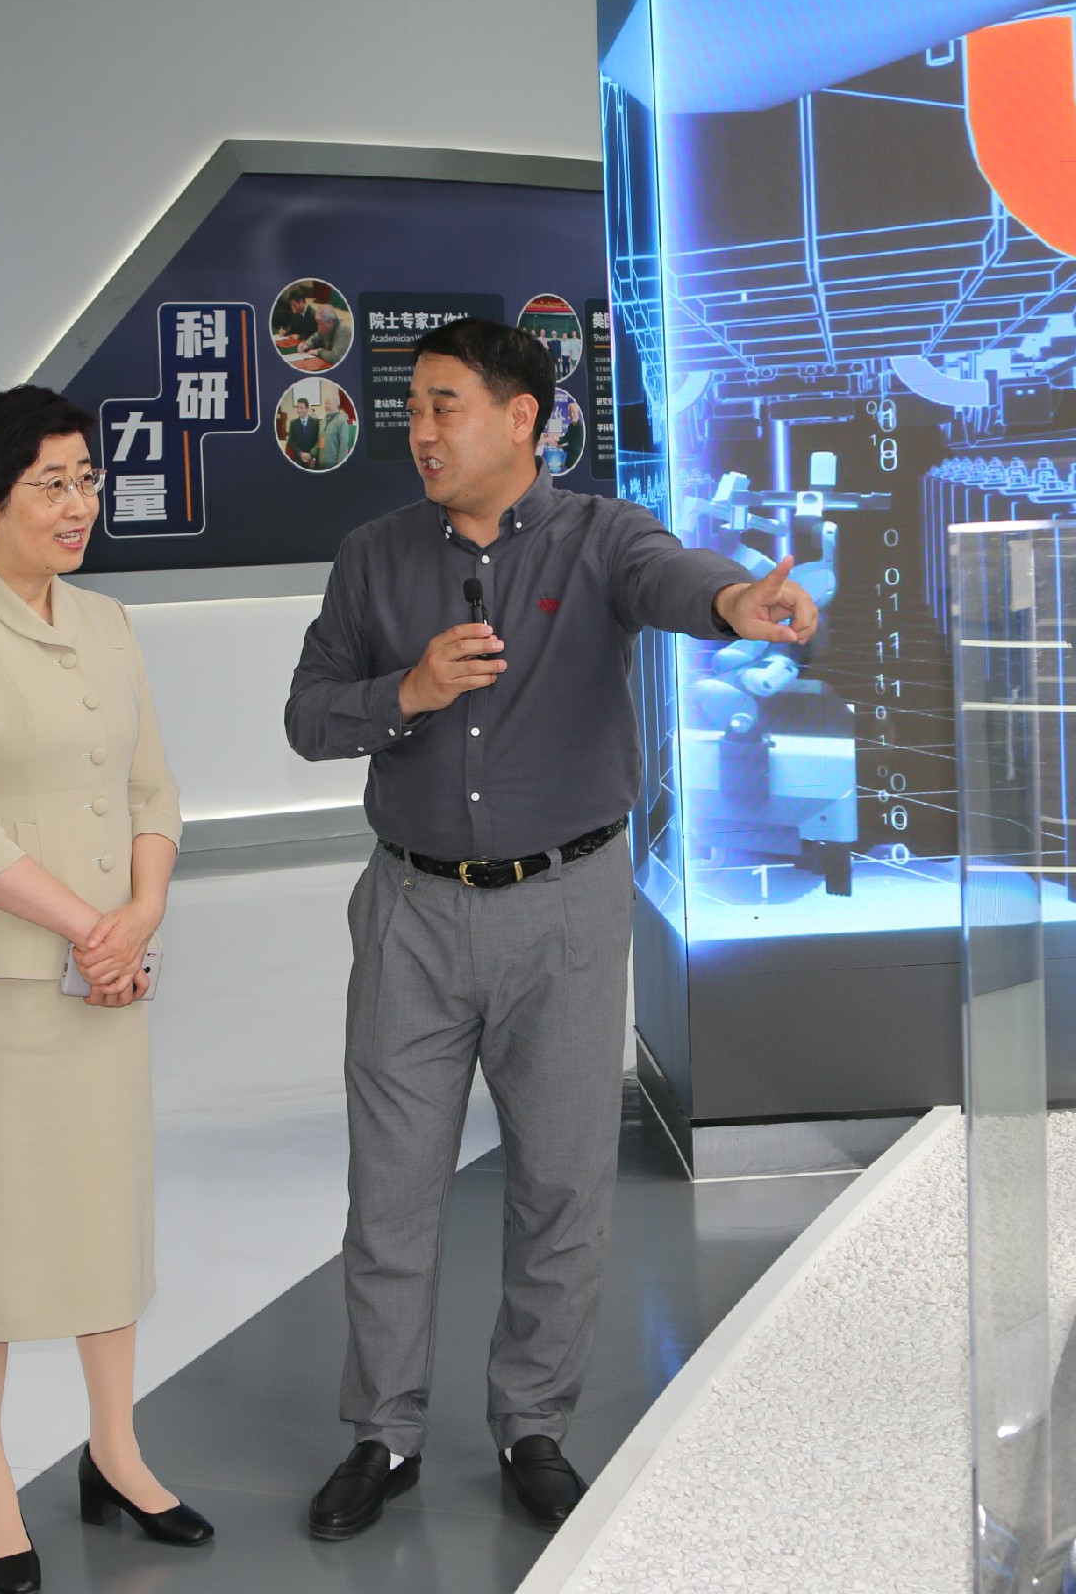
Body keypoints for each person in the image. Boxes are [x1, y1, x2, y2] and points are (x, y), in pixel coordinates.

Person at [284, 318, 819, 1538]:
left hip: (568, 906)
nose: (421, 431)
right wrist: (408, 691)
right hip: (413, 910)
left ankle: (533, 1424)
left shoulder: (600, 536)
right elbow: (309, 716)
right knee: (391, 1190)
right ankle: (383, 1433)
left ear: (522, 418)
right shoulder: (373, 557)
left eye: (447, 405)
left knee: (563, 1186)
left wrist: (735, 601)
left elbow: (676, 579)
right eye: (414, 408)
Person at [0, 385, 207, 1594]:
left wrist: (140, 912)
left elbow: (152, 790)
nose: (80, 504)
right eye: (51, 485)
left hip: (107, 968)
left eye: (86, 479)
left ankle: (115, 1450)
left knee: (103, 1213)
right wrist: (89, 928)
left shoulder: (109, 620)